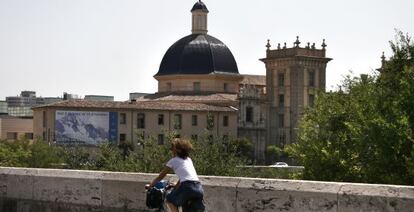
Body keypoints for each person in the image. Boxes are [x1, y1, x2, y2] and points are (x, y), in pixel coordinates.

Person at [145, 138, 204, 212]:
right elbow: (186, 176)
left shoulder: (173, 161)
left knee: (169, 200)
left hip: (187, 187)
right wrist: (176, 185)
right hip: (198, 188)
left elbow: (160, 177)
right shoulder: (188, 159)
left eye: (172, 149)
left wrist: (150, 186)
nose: (171, 150)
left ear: (178, 150)